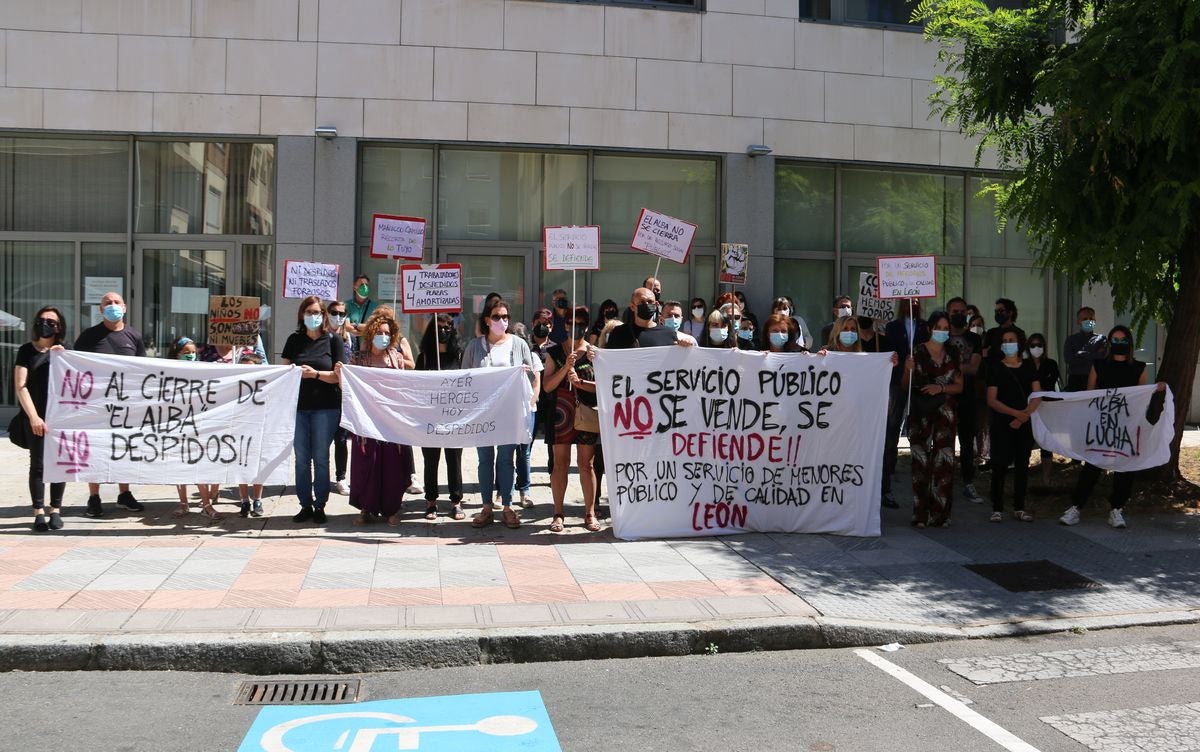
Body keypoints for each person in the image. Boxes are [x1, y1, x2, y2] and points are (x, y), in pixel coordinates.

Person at [1059, 326, 1165, 529]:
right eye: (1114, 339)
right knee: (1092, 464)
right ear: (1109, 342)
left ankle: (1117, 509)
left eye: (1123, 340)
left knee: (1124, 466)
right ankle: (1076, 507)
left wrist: (1157, 388)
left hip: (1125, 426)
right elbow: (1089, 395)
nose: (1119, 343)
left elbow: (1141, 396)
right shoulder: (1098, 365)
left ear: (1130, 343)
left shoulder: (1139, 368)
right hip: (1102, 424)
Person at [460, 298, 541, 528]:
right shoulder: (475, 346)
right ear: (487, 320)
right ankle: (486, 508)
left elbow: (534, 376)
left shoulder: (518, 344)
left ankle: (507, 506)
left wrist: (530, 398)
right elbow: (464, 378)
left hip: (509, 413)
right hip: (482, 413)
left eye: (505, 317)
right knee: (485, 460)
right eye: (497, 316)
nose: (502, 321)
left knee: (506, 460)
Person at [73, 291, 146, 517]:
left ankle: (124, 494)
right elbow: (73, 366)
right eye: (108, 303)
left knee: (124, 449)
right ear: (100, 309)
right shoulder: (89, 336)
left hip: (125, 407)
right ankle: (94, 497)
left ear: (124, 308)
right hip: (96, 407)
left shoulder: (134, 336)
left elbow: (143, 370)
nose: (112, 306)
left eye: (116, 302)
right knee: (95, 451)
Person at [345, 306, 415, 526]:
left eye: (387, 333)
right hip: (366, 423)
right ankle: (366, 508)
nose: (383, 337)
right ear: (371, 334)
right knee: (368, 464)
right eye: (379, 333)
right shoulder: (358, 358)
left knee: (393, 466)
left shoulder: (397, 358)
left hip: (391, 422)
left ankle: (392, 509)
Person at [281, 296, 346, 525]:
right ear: (302, 315)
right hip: (298, 409)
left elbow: (340, 376)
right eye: (308, 312)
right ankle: (305, 504)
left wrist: (316, 374)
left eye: (317, 311)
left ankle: (320, 505)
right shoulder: (294, 340)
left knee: (320, 458)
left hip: (326, 409)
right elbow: (283, 373)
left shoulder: (333, 340)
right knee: (301, 459)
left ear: (323, 315)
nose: (313, 316)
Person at [541, 306, 601, 532]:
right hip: (560, 412)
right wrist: (565, 366)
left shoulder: (594, 352)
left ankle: (590, 512)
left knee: (586, 464)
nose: (576, 326)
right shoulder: (555, 352)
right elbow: (547, 386)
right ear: (564, 325)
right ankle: (558, 513)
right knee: (560, 464)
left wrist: (581, 382)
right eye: (571, 322)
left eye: (582, 322)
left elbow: (603, 387)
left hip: (586, 410)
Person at [902, 311, 963, 528]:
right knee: (920, 462)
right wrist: (907, 370)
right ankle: (920, 513)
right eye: (939, 327)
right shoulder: (916, 352)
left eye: (946, 328)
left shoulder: (953, 353)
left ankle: (940, 514)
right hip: (921, 413)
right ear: (930, 328)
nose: (943, 331)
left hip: (945, 414)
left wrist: (941, 387)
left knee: (944, 462)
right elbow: (904, 386)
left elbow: (959, 385)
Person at [14, 306, 67, 532]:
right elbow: (20, 386)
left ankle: (55, 510)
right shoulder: (27, 350)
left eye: (51, 322)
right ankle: (38, 512)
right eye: (42, 320)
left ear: (59, 327)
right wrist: (34, 417)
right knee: (37, 465)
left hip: (60, 420)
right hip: (35, 417)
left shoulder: (65, 351)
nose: (45, 324)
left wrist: (63, 356)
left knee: (59, 465)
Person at [985, 330, 1042, 522]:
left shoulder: (1028, 366)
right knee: (999, 465)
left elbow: (1037, 395)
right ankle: (997, 508)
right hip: (1002, 423)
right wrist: (1014, 414)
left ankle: (1019, 507)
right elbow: (992, 400)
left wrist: (1023, 415)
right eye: (1005, 341)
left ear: (1019, 343)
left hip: (1024, 423)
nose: (1008, 343)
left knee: (1022, 466)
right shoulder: (995, 368)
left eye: (1012, 340)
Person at [416, 314, 466, 521]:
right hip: (430, 419)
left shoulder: (460, 357)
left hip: (453, 418)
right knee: (431, 460)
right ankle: (431, 502)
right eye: (439, 327)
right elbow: (416, 387)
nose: (444, 331)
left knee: (454, 459)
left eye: (448, 327)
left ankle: (456, 502)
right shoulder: (425, 357)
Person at [167, 337, 223, 521]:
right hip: (176, 423)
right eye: (186, 353)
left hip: (198, 424)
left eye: (193, 352)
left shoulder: (202, 369)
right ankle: (183, 503)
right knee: (178, 465)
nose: (191, 356)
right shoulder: (166, 372)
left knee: (199, 463)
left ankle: (206, 504)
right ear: (176, 355)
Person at [881, 298, 929, 509]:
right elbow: (888, 353)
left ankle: (921, 470)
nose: (914, 303)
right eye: (910, 300)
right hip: (897, 381)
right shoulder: (892, 327)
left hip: (918, 382)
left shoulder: (925, 327)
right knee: (892, 426)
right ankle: (889, 470)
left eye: (917, 299)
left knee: (918, 425)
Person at [946, 297, 985, 504]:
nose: (959, 315)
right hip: (945, 395)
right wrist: (962, 366)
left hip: (968, 396)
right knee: (944, 439)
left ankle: (968, 481)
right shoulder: (941, 337)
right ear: (948, 313)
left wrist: (949, 366)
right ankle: (944, 480)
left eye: (962, 311)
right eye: (955, 311)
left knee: (967, 440)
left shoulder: (975, 339)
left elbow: (975, 368)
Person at [235, 346, 268, 518]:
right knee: (241, 465)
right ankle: (244, 500)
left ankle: (257, 499)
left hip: (257, 429)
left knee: (257, 466)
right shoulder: (234, 385)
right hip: (239, 429)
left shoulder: (265, 386)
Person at [605, 288, 695, 350]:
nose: (647, 304)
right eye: (642, 302)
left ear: (656, 305)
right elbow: (609, 360)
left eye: (650, 302)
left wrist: (686, 347)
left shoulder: (668, 334)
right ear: (632, 306)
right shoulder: (619, 333)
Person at [1026, 332, 1061, 484]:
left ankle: (1046, 477)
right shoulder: (1024, 364)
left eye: (1039, 345)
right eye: (1033, 345)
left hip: (1047, 407)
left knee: (1046, 444)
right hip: (1028, 408)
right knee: (1026, 441)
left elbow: (1050, 384)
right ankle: (1023, 474)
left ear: (1044, 347)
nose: (1036, 348)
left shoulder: (1051, 364)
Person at [327, 300, 353, 496]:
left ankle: (341, 477)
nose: (338, 316)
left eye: (342, 313)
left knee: (342, 440)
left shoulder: (350, 338)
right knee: (322, 440)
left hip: (343, 394)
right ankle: (320, 476)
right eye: (334, 312)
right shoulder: (322, 336)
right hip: (323, 392)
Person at [1062, 306, 1107, 391]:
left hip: (1096, 382)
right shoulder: (1071, 339)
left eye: (1091, 318)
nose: (1089, 321)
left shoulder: (1102, 339)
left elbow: (1102, 358)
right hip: (1075, 382)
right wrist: (1093, 355)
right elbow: (1069, 359)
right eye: (1085, 319)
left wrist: (1081, 354)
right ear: (1078, 321)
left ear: (1095, 320)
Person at [982, 297, 1026, 364]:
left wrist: (991, 351)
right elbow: (984, 353)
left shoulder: (1019, 333)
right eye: (996, 311)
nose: (998, 313)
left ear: (1010, 312)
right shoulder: (991, 332)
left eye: (1001, 311)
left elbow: (1015, 354)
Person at [344, 274, 376, 342]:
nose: (364, 287)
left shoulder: (375, 307)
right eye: (362, 284)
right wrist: (365, 328)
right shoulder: (346, 305)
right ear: (355, 287)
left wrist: (356, 325)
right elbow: (346, 326)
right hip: (351, 345)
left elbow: (375, 327)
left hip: (368, 345)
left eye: (366, 285)